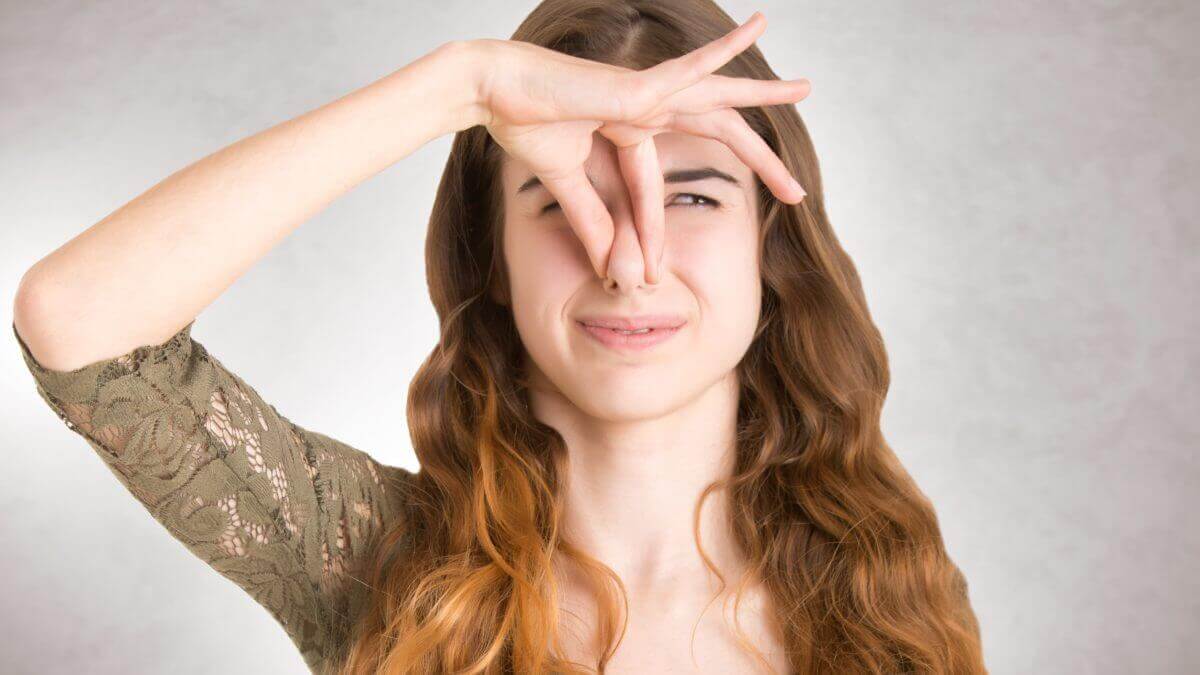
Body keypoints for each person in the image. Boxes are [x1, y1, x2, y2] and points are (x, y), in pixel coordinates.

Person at [12, 2, 985, 673]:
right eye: (562, 203)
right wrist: (466, 87)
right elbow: (81, 320)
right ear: (494, 258)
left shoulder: (887, 594)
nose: (629, 260)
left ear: (770, 250)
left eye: (691, 193)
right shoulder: (380, 567)